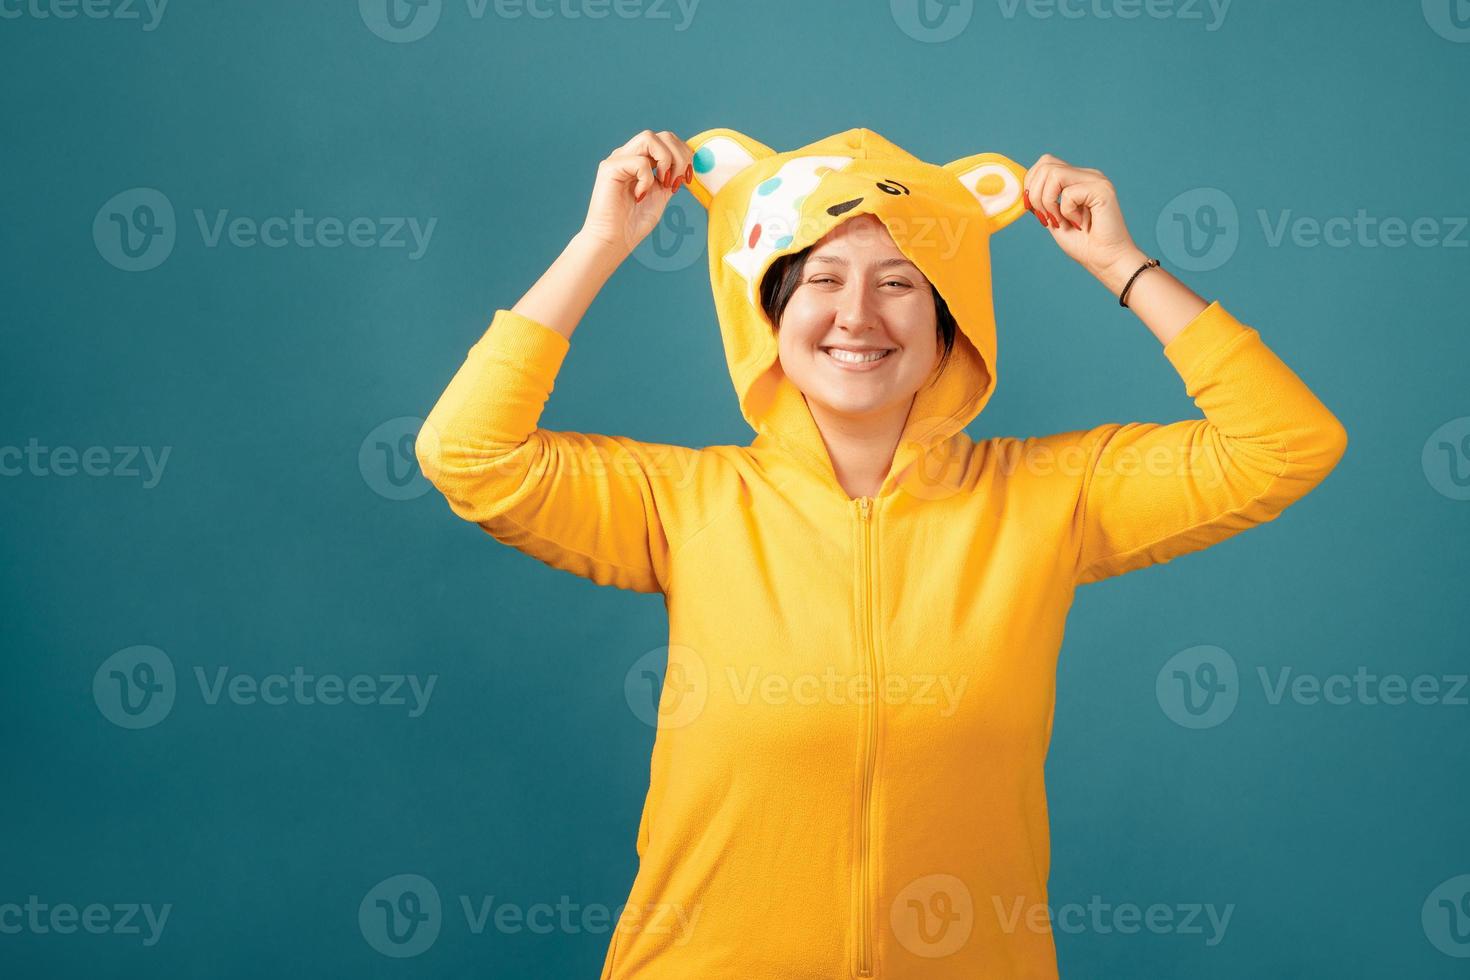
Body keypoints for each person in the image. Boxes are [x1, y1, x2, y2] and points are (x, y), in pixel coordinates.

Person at [415, 127, 1347, 979]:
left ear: (951, 328)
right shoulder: (683, 502)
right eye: (820, 279)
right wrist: (601, 244)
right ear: (769, 318)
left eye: (899, 281)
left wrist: (1122, 263)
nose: (857, 314)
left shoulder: (1049, 495)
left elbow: (1287, 443)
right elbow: (467, 454)